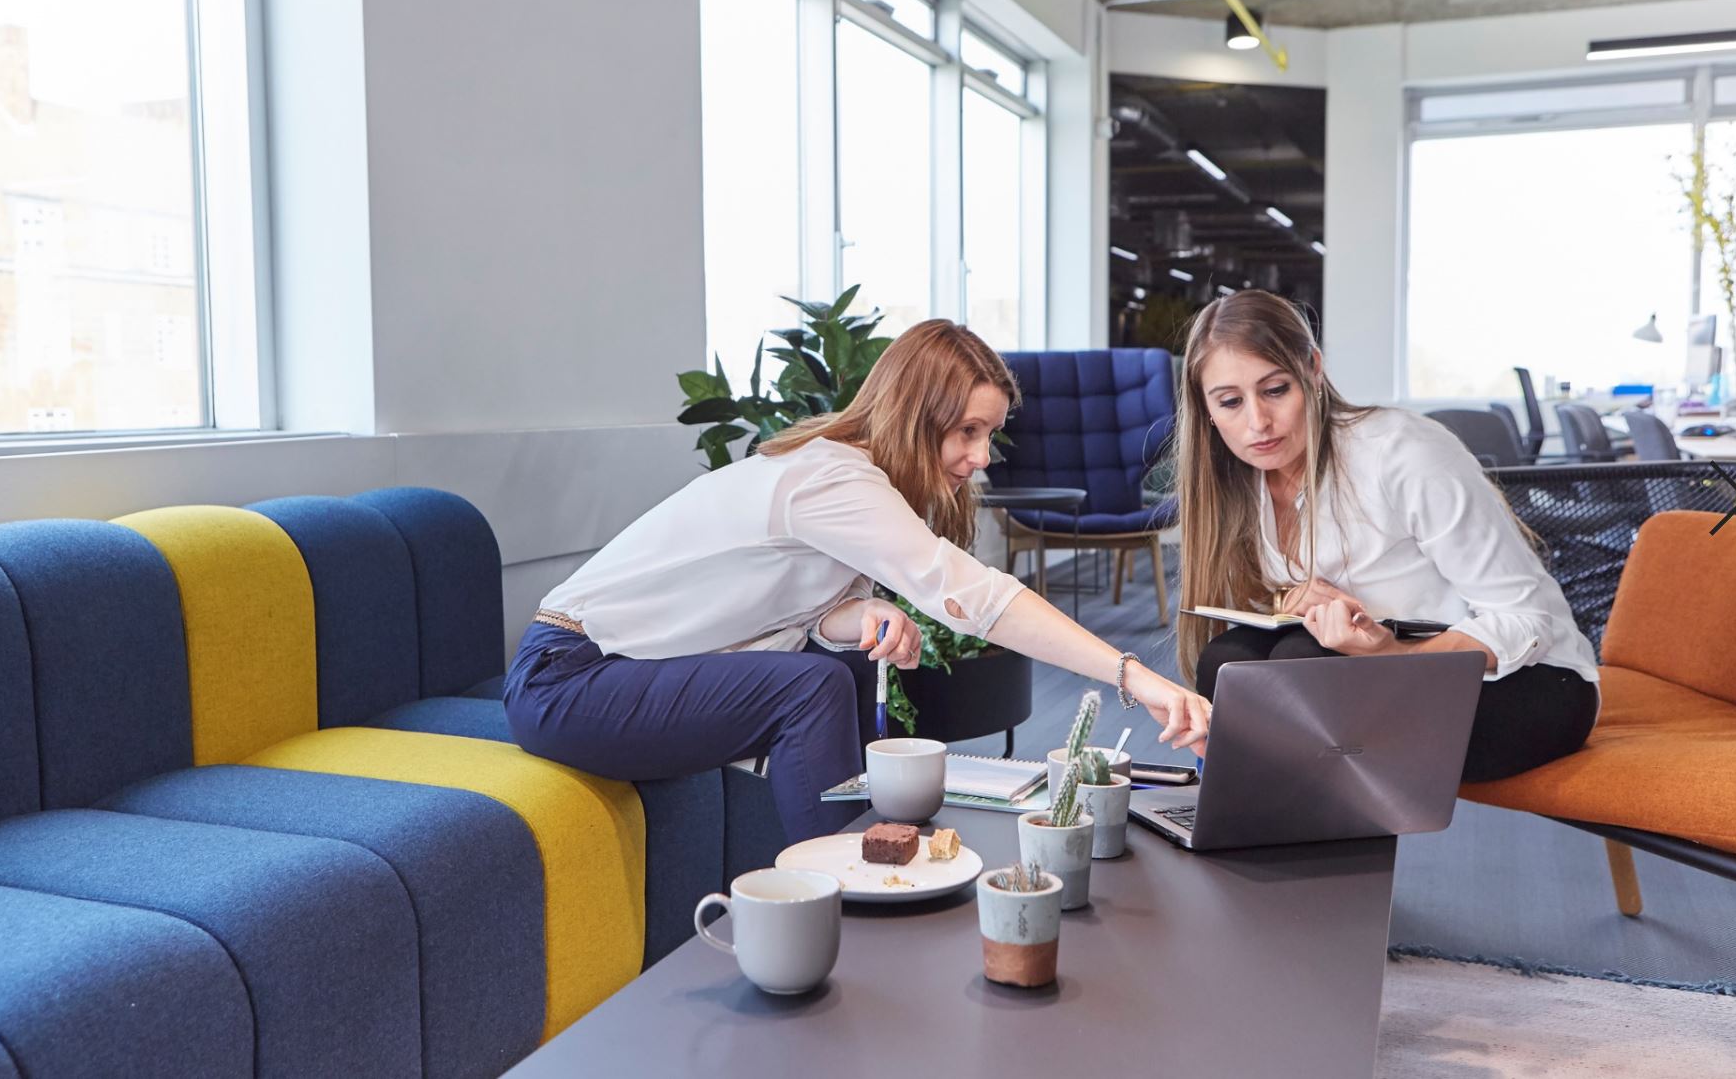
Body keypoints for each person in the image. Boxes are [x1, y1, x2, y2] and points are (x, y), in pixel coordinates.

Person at [505, 319, 1213, 842]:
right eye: (967, 431)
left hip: (603, 672)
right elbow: (975, 596)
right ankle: (850, 881)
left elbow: (785, 602)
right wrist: (1134, 675)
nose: (982, 457)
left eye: (988, 434)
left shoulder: (841, 475)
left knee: (831, 669)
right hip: (566, 679)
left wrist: (853, 615)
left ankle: (861, 858)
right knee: (809, 686)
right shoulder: (835, 475)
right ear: (915, 412)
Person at [1175, 290, 1599, 783]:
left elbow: (1526, 620)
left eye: (1275, 390)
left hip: (1530, 682)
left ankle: (1301, 850)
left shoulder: (1400, 452)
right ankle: (1248, 838)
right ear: (1205, 408)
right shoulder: (1241, 476)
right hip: (1380, 672)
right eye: (1230, 401)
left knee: (1304, 667)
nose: (1257, 423)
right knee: (1228, 662)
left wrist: (1389, 654)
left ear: (1313, 371)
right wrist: (1297, 604)